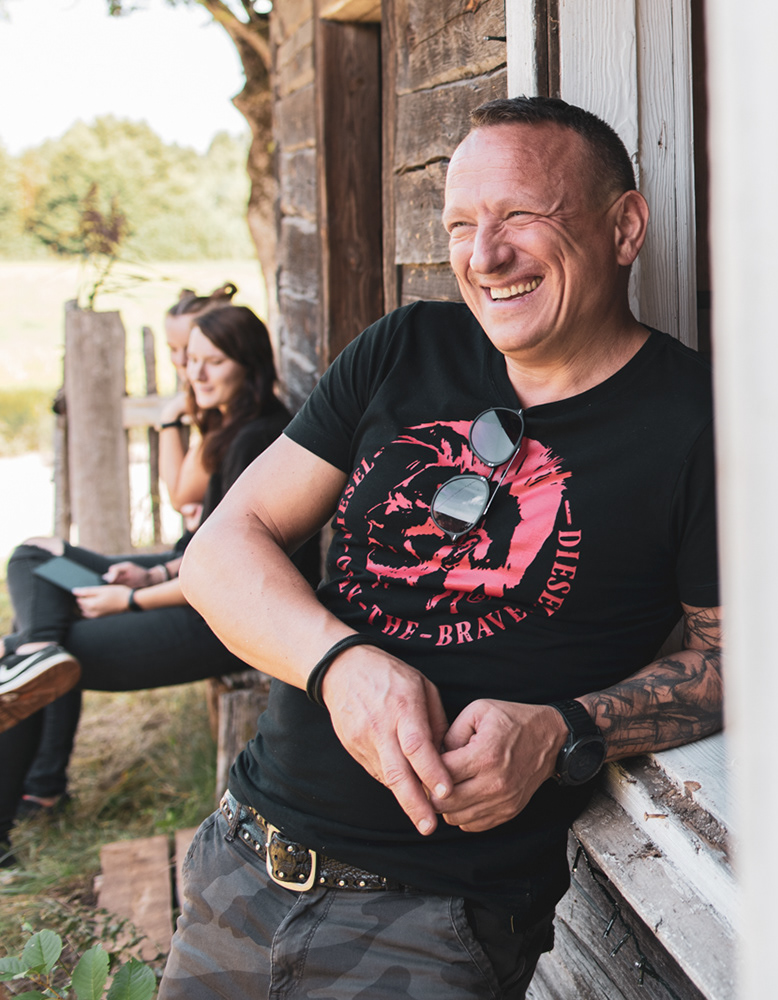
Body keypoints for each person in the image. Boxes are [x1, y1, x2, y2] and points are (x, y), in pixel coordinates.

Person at [161, 96, 722, 1000]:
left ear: (624, 227)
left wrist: (565, 729)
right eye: (461, 224)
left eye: (521, 216)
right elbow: (223, 546)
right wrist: (340, 665)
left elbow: (739, 659)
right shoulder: (404, 347)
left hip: (432, 925)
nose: (484, 256)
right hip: (242, 859)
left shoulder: (697, 424)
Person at [0, 306, 319, 856]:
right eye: (190, 361)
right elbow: (206, 542)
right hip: (183, 582)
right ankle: (40, 650)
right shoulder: (230, 425)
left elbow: (228, 570)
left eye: (213, 362)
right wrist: (152, 571)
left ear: (248, 365)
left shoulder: (260, 437)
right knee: (36, 556)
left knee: (27, 654)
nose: (196, 374)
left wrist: (132, 598)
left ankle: (33, 761)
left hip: (221, 620)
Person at [156, 284, 240, 530]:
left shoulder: (228, 413)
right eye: (173, 349)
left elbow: (180, 497)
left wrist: (170, 417)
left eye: (189, 349)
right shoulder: (211, 407)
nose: (180, 361)